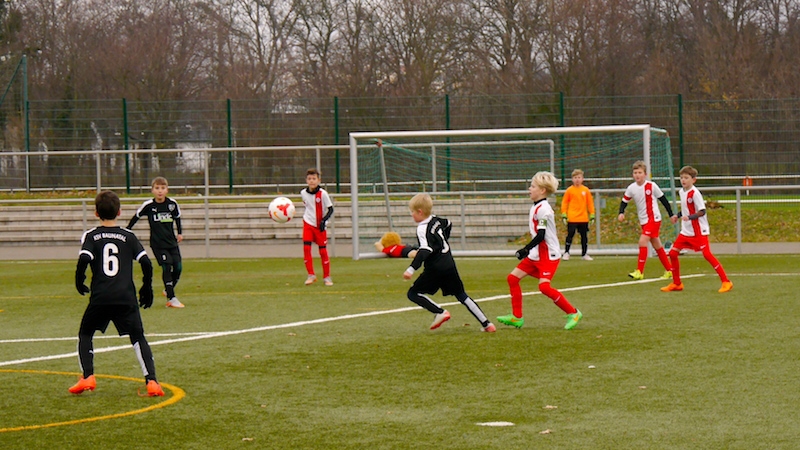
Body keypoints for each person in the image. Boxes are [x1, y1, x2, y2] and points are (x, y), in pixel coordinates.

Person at [71, 190, 164, 396]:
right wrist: (146, 287)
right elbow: (146, 263)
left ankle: (88, 376)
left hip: (101, 297)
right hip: (125, 297)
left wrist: (79, 279)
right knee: (138, 337)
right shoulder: (128, 236)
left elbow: (84, 259)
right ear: (119, 212)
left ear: (96, 213)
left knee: (86, 333)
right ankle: (152, 381)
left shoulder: (91, 235)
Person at [497, 172, 583, 330]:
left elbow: (541, 235)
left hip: (548, 255)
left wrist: (525, 249)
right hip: (536, 254)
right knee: (512, 278)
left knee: (544, 287)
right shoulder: (536, 206)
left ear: (542, 190)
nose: (529, 189)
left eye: (533, 186)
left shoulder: (544, 209)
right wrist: (529, 251)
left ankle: (574, 313)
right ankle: (517, 317)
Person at [403, 193, 495, 332]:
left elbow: (425, 250)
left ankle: (440, 312)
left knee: (413, 293)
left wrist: (411, 269)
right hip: (449, 264)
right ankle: (487, 324)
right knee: (461, 295)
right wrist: (443, 241)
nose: (411, 215)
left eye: (412, 212)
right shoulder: (437, 220)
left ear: (420, 212)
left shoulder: (422, 228)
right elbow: (448, 223)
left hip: (435, 268)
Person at [661, 166, 733, 293]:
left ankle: (726, 281)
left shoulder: (695, 193)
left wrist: (689, 217)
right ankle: (677, 283)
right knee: (672, 253)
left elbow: (702, 211)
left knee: (707, 255)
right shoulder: (682, 192)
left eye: (686, 178)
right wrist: (677, 216)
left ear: (693, 180)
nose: (683, 180)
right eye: (681, 178)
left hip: (699, 230)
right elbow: (686, 209)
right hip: (686, 231)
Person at [128, 176, 184, 308]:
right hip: (158, 244)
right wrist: (127, 231)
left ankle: (168, 289)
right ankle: (171, 298)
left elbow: (177, 218)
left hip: (172, 242)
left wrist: (180, 233)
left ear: (167, 190)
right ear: (152, 190)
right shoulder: (149, 205)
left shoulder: (172, 204)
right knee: (166, 266)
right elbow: (136, 217)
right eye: (157, 188)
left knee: (178, 267)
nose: (160, 191)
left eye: (163, 188)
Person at [617, 160, 674, 280]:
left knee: (642, 241)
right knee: (657, 245)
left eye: (640, 172)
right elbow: (624, 201)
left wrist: (671, 214)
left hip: (654, 219)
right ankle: (670, 270)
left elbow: (663, 200)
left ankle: (640, 271)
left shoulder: (652, 186)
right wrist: (621, 212)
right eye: (635, 173)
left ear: (645, 174)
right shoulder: (631, 188)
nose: (637, 175)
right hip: (644, 220)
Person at [301, 168, 334, 286]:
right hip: (308, 223)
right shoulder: (303, 193)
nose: (312, 181)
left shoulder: (323, 194)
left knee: (323, 251)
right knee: (306, 249)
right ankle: (311, 275)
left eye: (314, 179)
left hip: (319, 226)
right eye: (309, 179)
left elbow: (331, 209)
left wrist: (324, 221)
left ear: (319, 180)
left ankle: (327, 277)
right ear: (306, 180)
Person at [560, 168, 595, 261]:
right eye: (575, 178)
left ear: (582, 179)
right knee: (570, 235)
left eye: (579, 177)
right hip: (572, 217)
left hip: (583, 218)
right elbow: (564, 202)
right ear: (572, 179)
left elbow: (590, 203)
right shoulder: (569, 190)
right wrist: (564, 214)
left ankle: (584, 253)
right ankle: (566, 252)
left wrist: (592, 214)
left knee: (584, 236)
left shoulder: (585, 190)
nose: (577, 180)